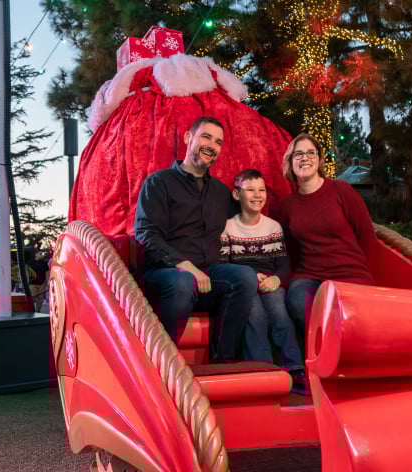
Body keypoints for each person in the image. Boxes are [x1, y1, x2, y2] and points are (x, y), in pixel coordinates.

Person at [134, 116, 257, 362]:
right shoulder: (159, 182)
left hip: (208, 275)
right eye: (206, 136)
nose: (212, 145)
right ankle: (160, 364)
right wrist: (184, 265)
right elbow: (146, 234)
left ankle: (223, 362)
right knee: (183, 282)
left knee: (245, 277)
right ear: (189, 138)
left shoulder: (222, 192)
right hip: (164, 274)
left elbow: (246, 226)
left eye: (218, 142)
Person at [278, 133, 377, 337]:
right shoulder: (287, 206)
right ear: (290, 161)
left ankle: (342, 356)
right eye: (298, 154)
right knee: (296, 302)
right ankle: (322, 357)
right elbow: (290, 250)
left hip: (350, 274)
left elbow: (366, 236)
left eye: (310, 153)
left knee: (351, 314)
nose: (305, 158)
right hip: (310, 276)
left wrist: (364, 274)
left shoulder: (341, 190)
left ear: (320, 159)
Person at [220, 169, 307, 392]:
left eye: (261, 190)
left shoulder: (272, 227)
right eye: (250, 190)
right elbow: (223, 264)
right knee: (255, 314)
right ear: (237, 194)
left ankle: (294, 368)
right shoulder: (228, 227)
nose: (257, 195)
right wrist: (250, 275)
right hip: (244, 285)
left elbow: (284, 265)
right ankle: (262, 370)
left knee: (279, 310)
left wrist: (278, 279)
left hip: (270, 282)